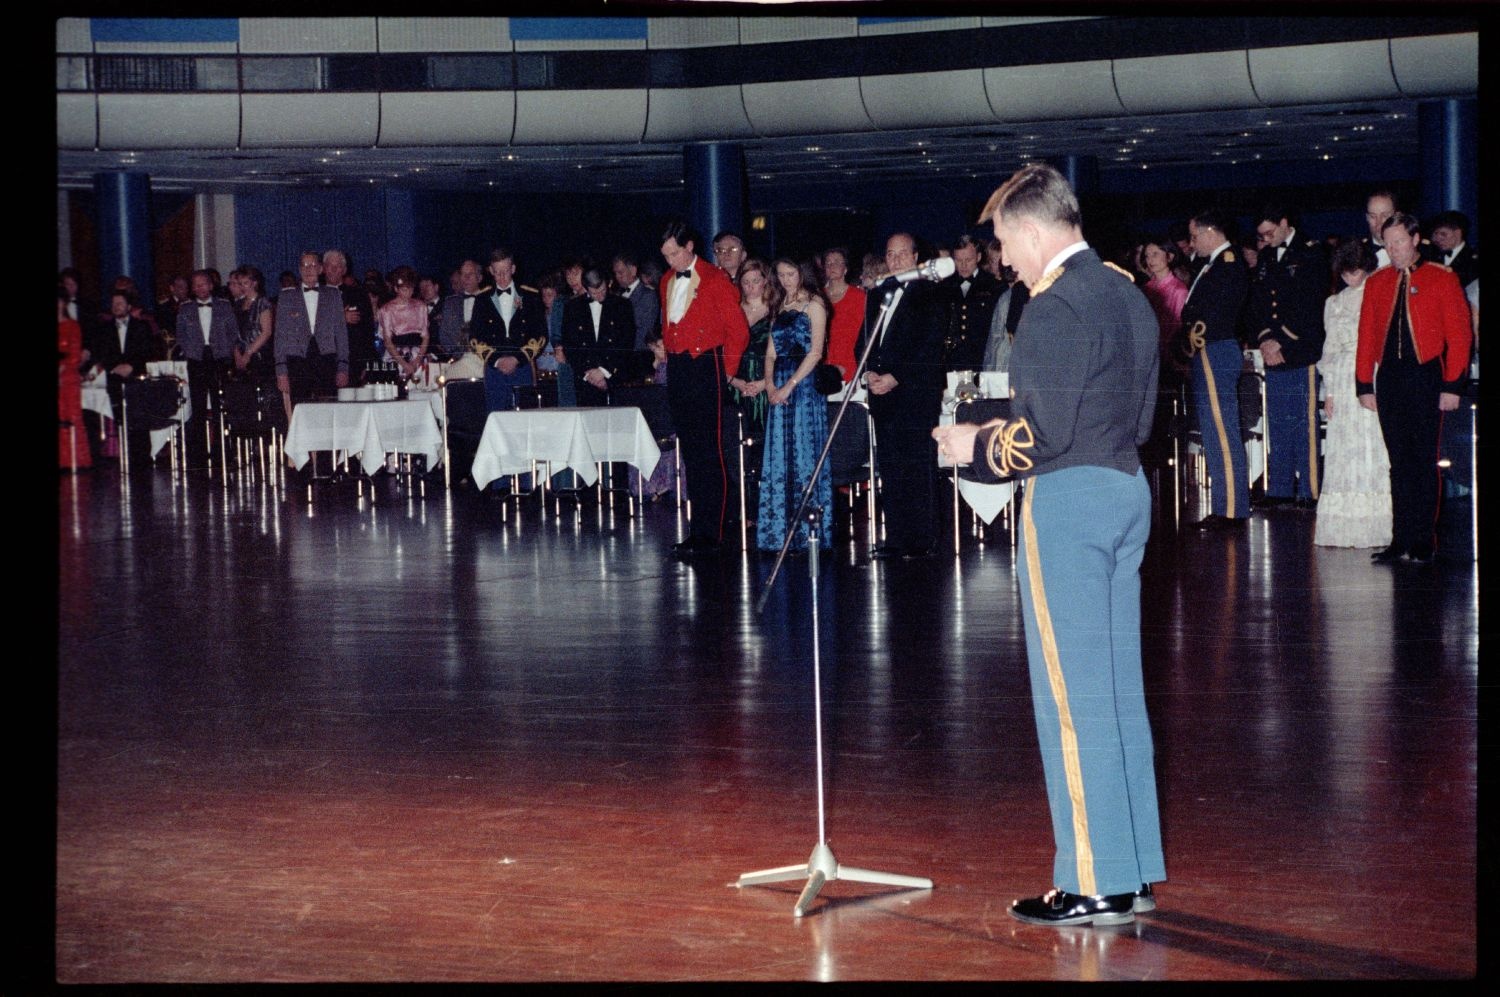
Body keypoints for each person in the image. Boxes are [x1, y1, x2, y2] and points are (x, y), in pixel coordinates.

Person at [932, 161, 1164, 928]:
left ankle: (1092, 877)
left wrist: (973, 443)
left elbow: (1044, 434)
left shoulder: (1053, 305)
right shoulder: (1127, 294)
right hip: (1126, 489)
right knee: (1119, 694)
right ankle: (1129, 870)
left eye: (1004, 241)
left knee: (1070, 700)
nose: (1004, 258)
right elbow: (1131, 418)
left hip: (1068, 503)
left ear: (1032, 230)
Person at [1356, 212, 1472, 564]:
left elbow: (1460, 335)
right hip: (1389, 379)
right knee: (1398, 463)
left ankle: (1423, 539)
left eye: (1399, 242)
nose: (1393, 250)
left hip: (1426, 378)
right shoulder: (1376, 283)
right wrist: (1364, 383)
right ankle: (1399, 538)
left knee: (1423, 461)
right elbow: (1366, 337)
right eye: (1387, 244)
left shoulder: (1442, 278)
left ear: (1416, 239)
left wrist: (1452, 384)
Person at [659, 219, 751, 558]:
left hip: (708, 365)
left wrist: (725, 373)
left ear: (689, 248)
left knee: (710, 453)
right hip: (679, 368)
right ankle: (697, 530)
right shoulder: (668, 280)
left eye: (674, 254)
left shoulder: (716, 279)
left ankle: (713, 531)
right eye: (665, 255)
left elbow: (738, 332)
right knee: (692, 452)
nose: (669, 262)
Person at [858, 232, 945, 559]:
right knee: (891, 468)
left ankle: (922, 540)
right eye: (890, 254)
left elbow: (929, 347)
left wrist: (896, 377)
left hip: (914, 394)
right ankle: (896, 538)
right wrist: (868, 372)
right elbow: (864, 341)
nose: (894, 260)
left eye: (901, 254)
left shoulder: (930, 293)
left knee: (917, 467)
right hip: (882, 394)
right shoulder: (878, 293)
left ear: (915, 257)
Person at [1246, 205, 1328, 508]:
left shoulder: (1311, 252)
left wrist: (1280, 340)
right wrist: (1265, 338)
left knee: (1303, 422)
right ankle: (1279, 487)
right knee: (1278, 422)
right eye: (1261, 235)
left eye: (1270, 232)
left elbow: (1310, 304)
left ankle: (1309, 490)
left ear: (1285, 223)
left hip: (1298, 349)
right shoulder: (1267, 256)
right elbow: (1258, 303)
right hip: (1272, 351)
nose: (1266, 239)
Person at [1177, 209, 1250, 530]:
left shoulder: (1228, 265)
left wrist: (1190, 343)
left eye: (1194, 236)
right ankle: (1225, 505)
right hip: (1207, 351)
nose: (1192, 244)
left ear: (1210, 233)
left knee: (1222, 430)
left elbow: (1214, 316)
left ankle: (1233, 508)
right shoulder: (1210, 266)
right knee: (1213, 431)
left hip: (1215, 349)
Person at [1314, 241, 1390, 549]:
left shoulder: (1378, 293)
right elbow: (1329, 348)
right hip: (1342, 378)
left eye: (1355, 272)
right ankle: (1342, 526)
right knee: (1342, 447)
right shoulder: (1333, 303)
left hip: (1370, 373)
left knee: (1372, 444)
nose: (1350, 279)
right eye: (1344, 274)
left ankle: (1377, 524)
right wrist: (1329, 390)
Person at [757, 259, 833, 552]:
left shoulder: (814, 304)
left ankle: (808, 534)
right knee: (779, 454)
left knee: (804, 453)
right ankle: (778, 533)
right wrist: (770, 385)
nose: (786, 280)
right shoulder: (782, 303)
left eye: (791, 273)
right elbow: (770, 353)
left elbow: (815, 353)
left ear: (803, 273)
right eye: (781, 274)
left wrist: (789, 385)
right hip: (780, 385)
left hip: (803, 387)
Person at [175, 269, 240, 466]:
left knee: (221, 406)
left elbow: (233, 332)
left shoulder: (224, 306)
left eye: (203, 283)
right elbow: (181, 335)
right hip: (196, 360)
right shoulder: (185, 308)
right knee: (198, 406)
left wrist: (226, 352)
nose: (199, 288)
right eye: (195, 285)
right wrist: (190, 351)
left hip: (219, 359)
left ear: (211, 285)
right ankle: (198, 454)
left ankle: (223, 452)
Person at [275, 251, 349, 422]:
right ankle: (304, 448)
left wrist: (343, 367)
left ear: (321, 269)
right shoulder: (287, 297)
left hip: (326, 359)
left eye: (313, 265)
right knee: (300, 412)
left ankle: (326, 449)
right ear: (300, 269)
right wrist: (281, 371)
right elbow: (280, 337)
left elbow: (341, 334)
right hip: (297, 360)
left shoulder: (333, 295)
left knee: (328, 411)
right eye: (305, 265)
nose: (309, 269)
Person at [471, 248, 546, 413]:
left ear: (513, 269)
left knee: (525, 420)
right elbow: (475, 338)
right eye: (497, 272)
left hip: (523, 366)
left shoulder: (531, 296)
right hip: (494, 369)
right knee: (496, 418)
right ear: (491, 271)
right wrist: (497, 360)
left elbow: (540, 336)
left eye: (505, 271)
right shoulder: (482, 299)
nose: (502, 277)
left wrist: (517, 359)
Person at [557, 267, 635, 407]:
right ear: (586, 288)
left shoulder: (622, 306)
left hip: (614, 377)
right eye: (594, 293)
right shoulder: (572, 307)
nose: (600, 296)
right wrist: (588, 374)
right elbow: (569, 345)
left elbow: (626, 343)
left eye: (603, 291)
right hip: (585, 379)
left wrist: (605, 371)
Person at [940, 234, 1003, 373]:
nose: (963, 265)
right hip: (952, 365)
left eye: (968, 260)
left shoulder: (994, 286)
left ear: (978, 257)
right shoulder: (943, 287)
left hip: (983, 362)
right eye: (958, 260)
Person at [323, 249, 377, 380]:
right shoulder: (316, 295)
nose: (335, 269)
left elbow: (367, 331)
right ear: (323, 268)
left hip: (354, 362)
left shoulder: (359, 294)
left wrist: (366, 363)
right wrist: (342, 318)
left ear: (344, 270)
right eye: (331, 266)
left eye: (338, 266)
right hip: (324, 361)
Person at [820, 248, 865, 383]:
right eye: (828, 263)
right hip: (823, 366)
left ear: (845, 269)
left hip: (850, 364)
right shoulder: (817, 297)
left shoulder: (859, 297)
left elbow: (862, 337)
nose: (832, 266)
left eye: (837, 262)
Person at [376, 265, 430, 378]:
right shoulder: (386, 309)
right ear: (396, 289)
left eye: (411, 289)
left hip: (418, 355)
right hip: (396, 357)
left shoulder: (421, 306)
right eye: (404, 289)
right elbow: (387, 341)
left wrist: (416, 361)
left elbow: (425, 337)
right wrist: (404, 364)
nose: (408, 293)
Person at [59, 287, 92, 472]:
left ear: (63, 303)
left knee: (71, 416)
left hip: (68, 377)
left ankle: (76, 461)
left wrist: (62, 367)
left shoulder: (72, 326)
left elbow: (74, 354)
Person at [232, 266, 275, 385]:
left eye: (245, 283)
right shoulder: (238, 304)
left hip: (259, 354)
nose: (242, 287)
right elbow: (235, 331)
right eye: (240, 284)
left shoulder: (262, 302)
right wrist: (236, 353)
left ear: (254, 283)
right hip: (241, 354)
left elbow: (267, 332)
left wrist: (248, 353)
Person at [436, 259, 484, 360]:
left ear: (479, 278)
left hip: (484, 359)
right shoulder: (450, 303)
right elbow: (444, 334)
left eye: (470, 274)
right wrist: (457, 355)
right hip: (458, 360)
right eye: (463, 274)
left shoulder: (489, 301)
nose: (466, 278)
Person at [612, 253, 660, 349]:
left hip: (635, 356)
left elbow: (644, 334)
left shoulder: (647, 296)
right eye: (615, 273)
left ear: (633, 270)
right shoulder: (617, 295)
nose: (617, 277)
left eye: (620, 272)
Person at [1428, 210, 1478, 287]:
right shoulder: (1430, 256)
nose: (1437, 239)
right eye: (1435, 234)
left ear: (1458, 233)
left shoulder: (1473, 261)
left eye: (1443, 234)